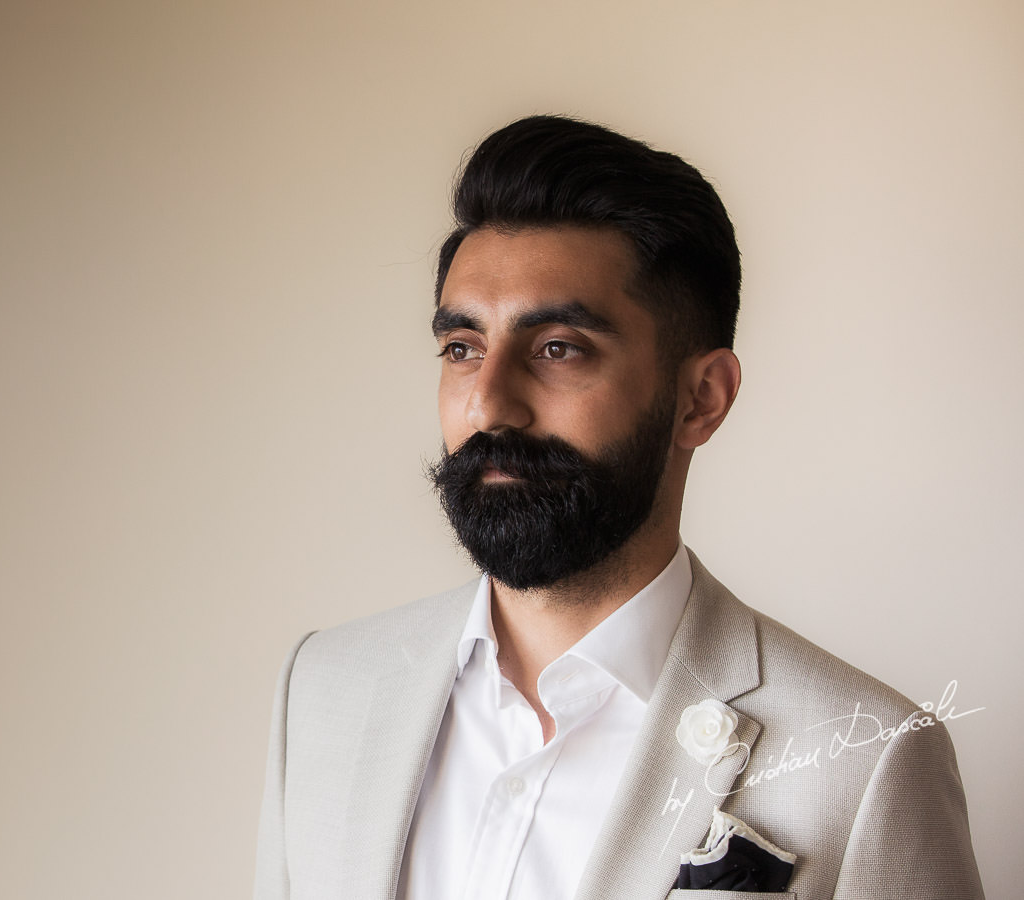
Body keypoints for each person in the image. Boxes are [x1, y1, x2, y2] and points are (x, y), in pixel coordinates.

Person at [253, 116, 982, 900]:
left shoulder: (865, 761)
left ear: (701, 399)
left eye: (559, 347)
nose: (488, 403)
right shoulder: (324, 687)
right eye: (463, 347)